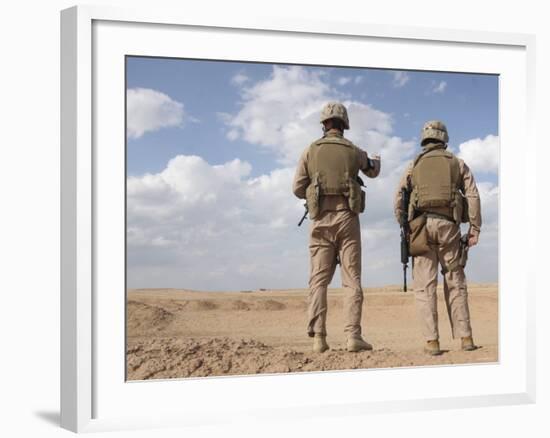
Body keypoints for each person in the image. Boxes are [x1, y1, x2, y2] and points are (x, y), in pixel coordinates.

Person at [293, 102, 381, 353]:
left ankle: (319, 337)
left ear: (324, 124)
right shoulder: (354, 151)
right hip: (347, 219)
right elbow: (374, 172)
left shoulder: (310, 150)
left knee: (318, 280)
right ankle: (353, 336)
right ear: (345, 125)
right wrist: (376, 159)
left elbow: (297, 188)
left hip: (320, 220)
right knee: (352, 280)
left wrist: (314, 192)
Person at [394, 120, 482, 355]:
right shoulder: (458, 163)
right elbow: (472, 195)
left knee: (425, 287)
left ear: (425, 139)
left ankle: (432, 342)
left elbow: (398, 198)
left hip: (421, 228)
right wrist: (475, 228)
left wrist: (404, 226)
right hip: (449, 228)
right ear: (444, 138)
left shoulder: (414, 164)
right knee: (455, 281)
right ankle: (466, 338)